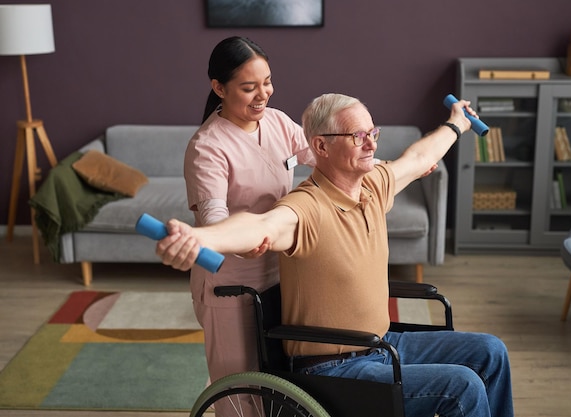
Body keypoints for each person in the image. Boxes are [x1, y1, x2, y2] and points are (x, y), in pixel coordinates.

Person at [158, 93, 515, 417]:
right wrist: (198, 237)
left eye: (373, 132)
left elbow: (420, 156)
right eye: (357, 136)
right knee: (461, 387)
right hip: (332, 366)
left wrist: (457, 122)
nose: (370, 143)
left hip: (379, 344)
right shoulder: (308, 206)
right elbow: (261, 225)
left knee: (491, 351)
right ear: (321, 147)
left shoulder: (374, 183)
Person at [185, 36, 315, 387]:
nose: (263, 94)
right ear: (219, 88)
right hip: (231, 283)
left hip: (280, 272)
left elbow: (326, 159)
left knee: (277, 378)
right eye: (248, 87)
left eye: (267, 82)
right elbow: (213, 219)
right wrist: (238, 241)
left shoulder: (277, 122)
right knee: (238, 383)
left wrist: (376, 165)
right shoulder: (207, 147)